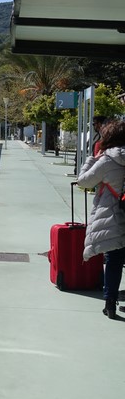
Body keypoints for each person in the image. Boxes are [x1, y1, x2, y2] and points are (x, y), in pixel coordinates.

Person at [76, 119, 125, 319]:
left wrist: (91, 159)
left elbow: (83, 181)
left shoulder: (107, 160)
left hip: (113, 216)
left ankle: (110, 304)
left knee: (113, 260)